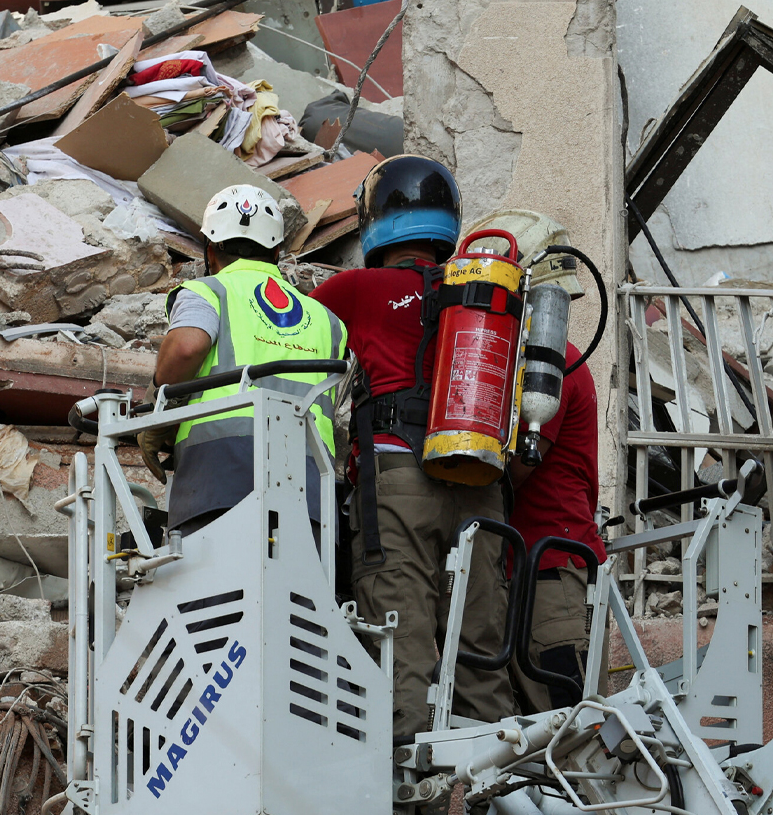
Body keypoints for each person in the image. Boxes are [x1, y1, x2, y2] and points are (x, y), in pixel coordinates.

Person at [310, 155, 514, 742]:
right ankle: (496, 793)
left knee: (400, 629)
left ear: (375, 220)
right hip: (479, 473)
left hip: (398, 475)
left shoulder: (358, 287)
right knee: (479, 636)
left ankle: (401, 793)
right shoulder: (479, 298)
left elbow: (299, 340)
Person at [140, 185, 346, 535]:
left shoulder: (208, 291)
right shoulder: (329, 321)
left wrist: (157, 412)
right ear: (277, 250)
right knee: (299, 587)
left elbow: (187, 347)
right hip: (312, 483)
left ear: (211, 250)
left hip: (221, 474)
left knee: (220, 587)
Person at [469, 210, 606, 714]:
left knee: (569, 736)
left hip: (550, 576)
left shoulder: (551, 366)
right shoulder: (516, 359)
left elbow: (510, 475)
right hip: (521, 570)